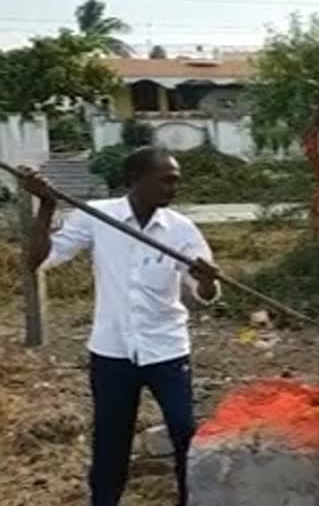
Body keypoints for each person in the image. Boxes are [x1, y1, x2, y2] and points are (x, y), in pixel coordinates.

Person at [17, 147, 221, 506]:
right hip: (112, 353)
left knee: (185, 432)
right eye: (166, 180)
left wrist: (206, 281)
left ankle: (192, 499)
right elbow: (38, 260)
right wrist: (47, 207)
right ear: (134, 180)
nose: (174, 188)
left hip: (168, 350)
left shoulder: (180, 229)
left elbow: (205, 292)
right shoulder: (98, 217)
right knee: (111, 441)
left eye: (176, 180)